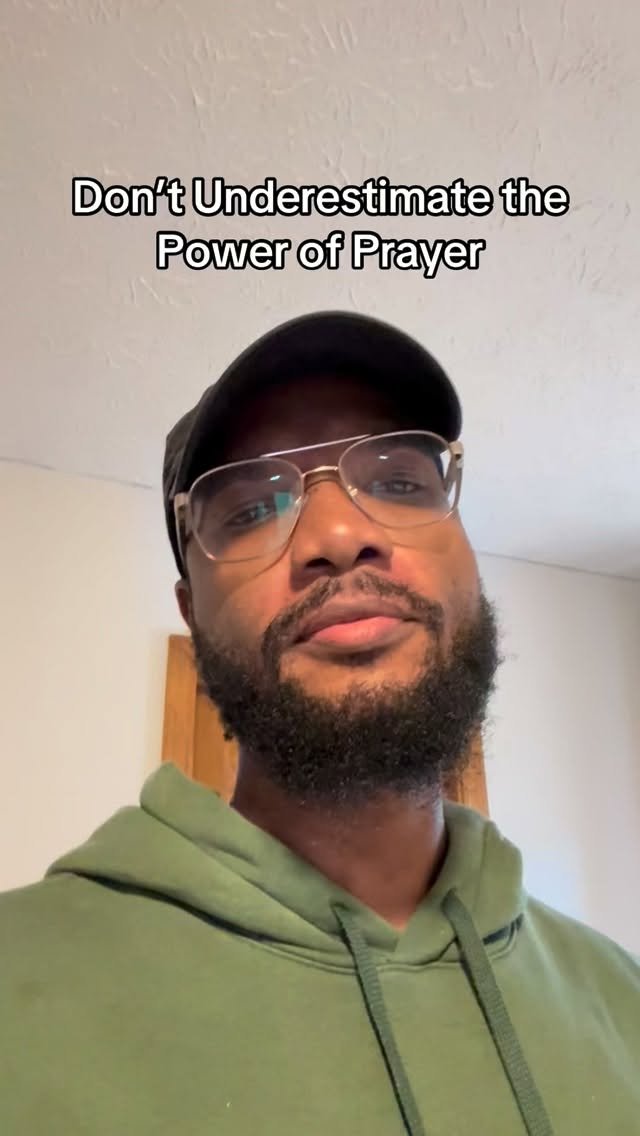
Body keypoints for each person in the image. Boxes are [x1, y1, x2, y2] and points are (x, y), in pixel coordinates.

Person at [0, 312, 638, 1136]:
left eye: (399, 482)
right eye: (252, 508)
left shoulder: (622, 1000)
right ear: (193, 618)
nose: (339, 536)